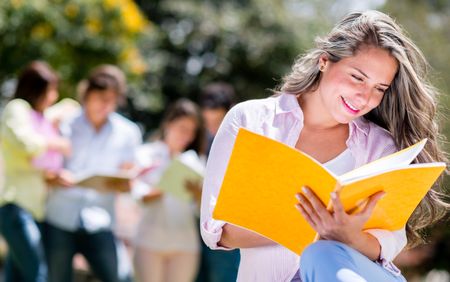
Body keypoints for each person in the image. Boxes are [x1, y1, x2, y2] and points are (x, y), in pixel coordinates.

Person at [200, 10, 448, 282]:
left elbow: (387, 244)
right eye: (357, 77)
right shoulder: (250, 121)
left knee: (322, 256)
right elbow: (217, 230)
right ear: (324, 61)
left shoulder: (380, 147)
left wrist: (348, 236)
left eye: (380, 88)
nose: (365, 97)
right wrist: (309, 224)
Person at [44, 65, 142, 282]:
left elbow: (129, 182)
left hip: (101, 218)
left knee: (120, 277)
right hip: (60, 216)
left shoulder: (128, 133)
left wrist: (125, 182)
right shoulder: (64, 124)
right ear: (87, 95)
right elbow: (45, 169)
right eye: (100, 97)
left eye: (111, 99)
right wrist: (57, 176)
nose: (105, 105)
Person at [0, 61, 71, 282]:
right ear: (36, 89)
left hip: (34, 210)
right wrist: (56, 143)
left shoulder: (38, 118)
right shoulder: (17, 108)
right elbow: (26, 145)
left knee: (16, 275)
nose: (53, 96)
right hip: (15, 206)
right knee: (37, 273)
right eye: (50, 91)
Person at [132, 98, 205, 282]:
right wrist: (168, 184)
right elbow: (139, 197)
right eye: (182, 128)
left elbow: (201, 211)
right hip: (149, 242)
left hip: (184, 245)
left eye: (191, 132)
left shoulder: (194, 162)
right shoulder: (145, 154)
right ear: (168, 124)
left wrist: (198, 194)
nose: (186, 136)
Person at [195, 82, 240, 282]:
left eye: (217, 121)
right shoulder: (202, 137)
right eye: (207, 122)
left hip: (226, 227)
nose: (212, 128)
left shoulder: (241, 139)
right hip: (199, 224)